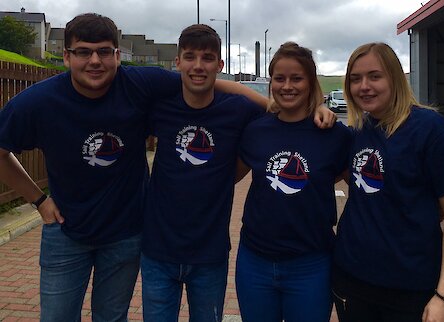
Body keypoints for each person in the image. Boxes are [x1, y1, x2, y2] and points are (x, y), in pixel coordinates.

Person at [0, 13, 266, 321]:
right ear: (66, 56)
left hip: (125, 233)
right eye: (83, 52)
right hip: (66, 232)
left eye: (103, 51)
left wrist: (277, 106)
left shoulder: (139, 83)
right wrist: (40, 200)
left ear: (117, 55)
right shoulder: (40, 101)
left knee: (112, 318)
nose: (94, 61)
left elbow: (210, 84)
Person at [140, 27, 336, 322]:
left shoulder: (239, 113)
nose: (198, 65)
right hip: (158, 250)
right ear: (177, 62)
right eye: (190, 57)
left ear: (220, 66)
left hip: (211, 253)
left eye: (207, 58)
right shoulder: (160, 105)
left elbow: (281, 110)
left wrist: (316, 104)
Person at [234, 42, 351, 322]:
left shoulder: (335, 135)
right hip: (255, 262)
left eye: (297, 78)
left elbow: (356, 187)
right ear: (271, 81)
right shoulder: (255, 131)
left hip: (312, 265)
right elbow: (227, 178)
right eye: (280, 78)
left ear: (311, 82)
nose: (288, 86)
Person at [332, 42, 444, 322]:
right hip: (352, 281)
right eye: (355, 79)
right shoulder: (357, 131)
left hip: (412, 289)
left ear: (395, 78)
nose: (364, 86)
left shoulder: (430, 129)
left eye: (375, 76)